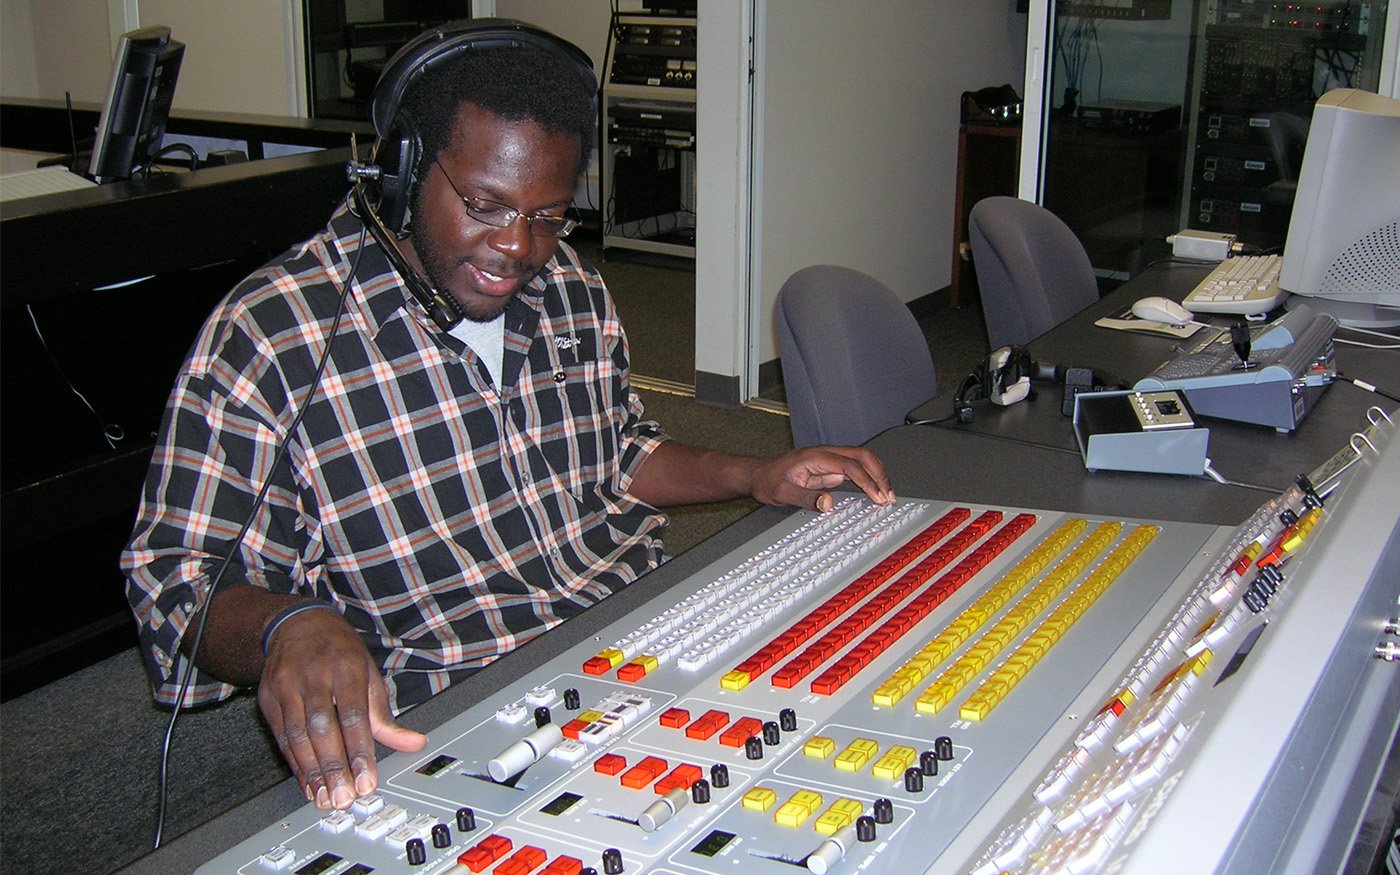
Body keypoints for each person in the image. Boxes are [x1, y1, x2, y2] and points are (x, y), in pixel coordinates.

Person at [121, 21, 893, 815]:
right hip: (460, 705)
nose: (519, 249)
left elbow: (617, 451)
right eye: (486, 206)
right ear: (402, 171)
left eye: (549, 214)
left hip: (639, 644)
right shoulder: (274, 334)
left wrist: (753, 473)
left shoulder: (571, 287)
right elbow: (174, 578)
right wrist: (290, 624)